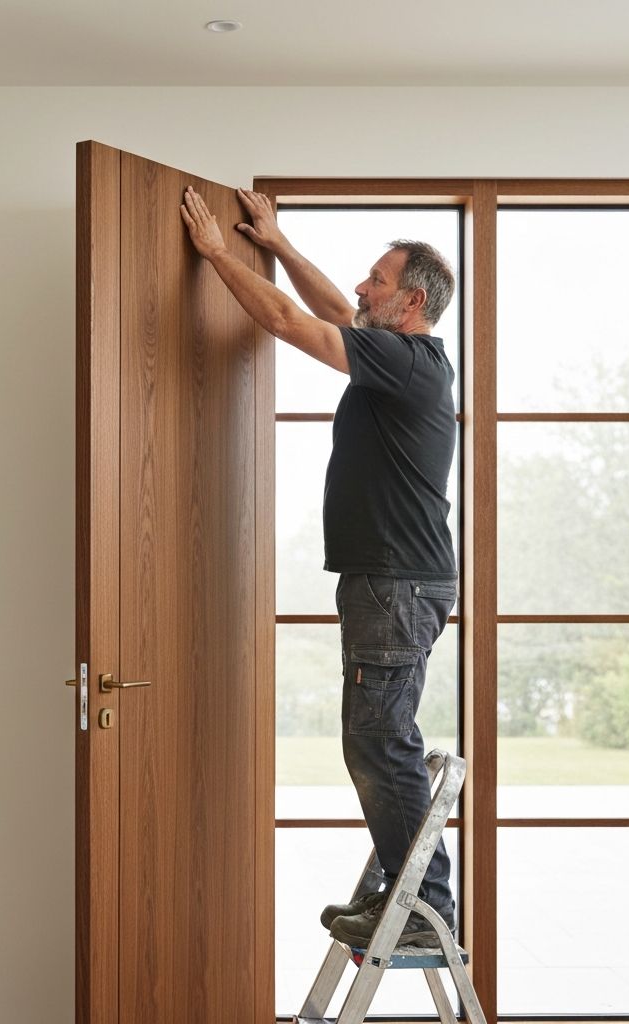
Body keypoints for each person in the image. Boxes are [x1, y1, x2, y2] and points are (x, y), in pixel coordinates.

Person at [180, 186, 458, 948]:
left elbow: (284, 321)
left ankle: (424, 913)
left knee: (379, 741)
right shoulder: (402, 357)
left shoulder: (408, 363)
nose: (361, 285)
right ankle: (407, 901)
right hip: (395, 578)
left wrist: (214, 255)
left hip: (396, 580)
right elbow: (335, 310)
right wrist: (276, 243)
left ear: (408, 301)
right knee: (381, 737)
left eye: (376, 277)